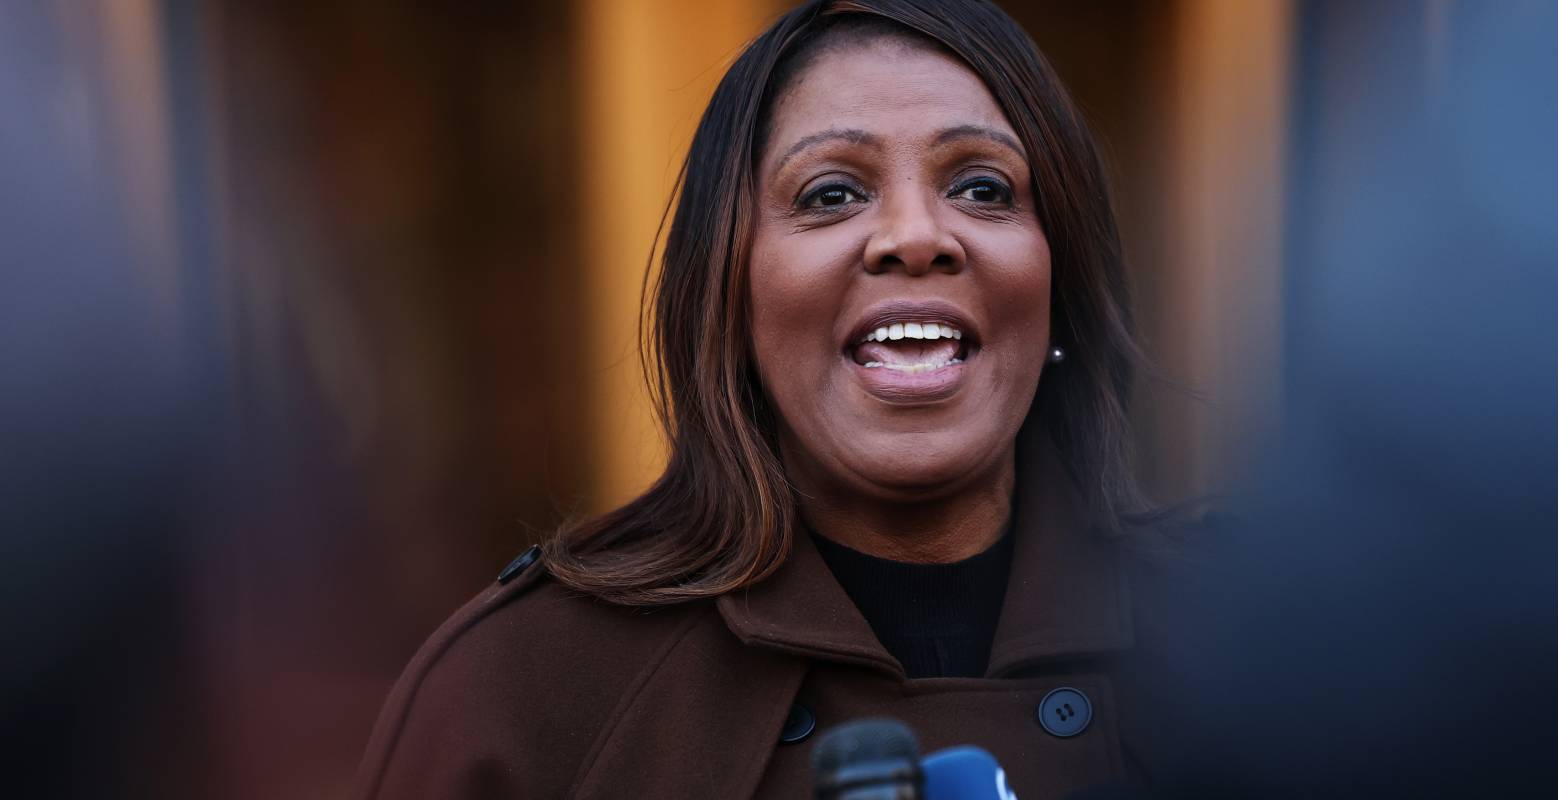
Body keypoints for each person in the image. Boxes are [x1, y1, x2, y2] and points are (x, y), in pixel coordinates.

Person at [354, 1, 1191, 797]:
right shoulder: (520, 692)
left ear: (1061, 281)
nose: (915, 236)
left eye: (983, 188)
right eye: (831, 193)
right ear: (729, 295)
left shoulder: (1272, 647)